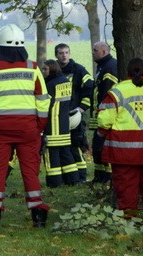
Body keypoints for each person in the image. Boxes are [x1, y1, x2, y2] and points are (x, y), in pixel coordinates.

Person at [0, 25, 50, 228]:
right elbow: (43, 100)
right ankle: (38, 216)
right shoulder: (33, 68)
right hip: (28, 130)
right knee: (30, 171)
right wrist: (38, 126)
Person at [96, 57, 143, 228]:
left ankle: (128, 221)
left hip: (125, 151)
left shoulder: (117, 91)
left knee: (126, 186)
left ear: (127, 72)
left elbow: (103, 121)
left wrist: (102, 133)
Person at [55, 43, 93, 182]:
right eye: (61, 53)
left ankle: (81, 176)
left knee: (76, 145)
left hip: (74, 115)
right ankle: (69, 176)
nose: (64, 55)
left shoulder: (78, 70)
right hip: (58, 116)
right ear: (56, 55)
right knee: (63, 147)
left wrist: (82, 107)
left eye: (66, 52)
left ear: (69, 54)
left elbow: (89, 86)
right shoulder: (55, 70)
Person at [40, 59, 80, 187]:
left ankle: (54, 182)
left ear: (52, 69)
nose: (43, 71)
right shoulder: (66, 82)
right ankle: (73, 179)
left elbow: (45, 106)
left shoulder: (50, 84)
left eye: (45, 69)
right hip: (64, 125)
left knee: (51, 155)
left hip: (51, 125)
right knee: (66, 153)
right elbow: (73, 101)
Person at [89, 40, 119, 184]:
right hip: (99, 115)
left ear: (104, 51)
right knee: (97, 147)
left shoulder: (109, 67)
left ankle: (106, 178)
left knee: (101, 147)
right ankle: (99, 177)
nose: (92, 52)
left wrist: (103, 114)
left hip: (106, 117)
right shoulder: (103, 66)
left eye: (95, 50)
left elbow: (108, 93)